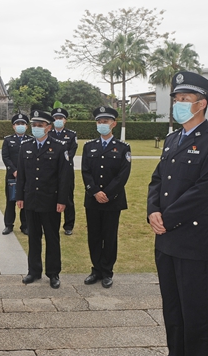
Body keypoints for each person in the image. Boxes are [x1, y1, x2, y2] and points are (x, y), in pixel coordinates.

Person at [147, 71, 208, 355]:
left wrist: (167, 219)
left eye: (186, 99)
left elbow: (205, 192)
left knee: (197, 315)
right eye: (177, 99)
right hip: (167, 241)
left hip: (195, 242)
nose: (179, 103)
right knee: (173, 312)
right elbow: (158, 179)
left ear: (202, 103)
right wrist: (153, 210)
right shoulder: (173, 139)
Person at [16, 110, 73, 289]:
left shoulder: (59, 147)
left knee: (52, 237)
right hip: (31, 199)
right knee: (33, 237)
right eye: (34, 125)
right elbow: (21, 175)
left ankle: (53, 273)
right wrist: (19, 197)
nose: (36, 128)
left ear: (48, 127)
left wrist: (62, 200)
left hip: (50, 200)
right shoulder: (25, 146)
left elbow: (65, 177)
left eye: (40, 126)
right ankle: (33, 271)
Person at [81, 106, 131, 288]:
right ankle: (96, 270)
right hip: (93, 199)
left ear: (114, 124)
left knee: (109, 236)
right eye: (99, 122)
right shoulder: (89, 146)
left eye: (105, 122)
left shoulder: (123, 147)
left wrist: (108, 193)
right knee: (94, 236)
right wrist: (95, 191)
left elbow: (123, 175)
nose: (102, 124)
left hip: (113, 200)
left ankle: (107, 271)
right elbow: (85, 171)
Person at [51, 107, 79, 235]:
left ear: (65, 120)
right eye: (56, 118)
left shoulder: (71, 135)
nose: (58, 120)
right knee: (51, 197)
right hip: (51, 171)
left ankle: (68, 225)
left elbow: (71, 153)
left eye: (60, 118)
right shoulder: (48, 134)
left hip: (66, 170)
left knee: (67, 198)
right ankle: (51, 223)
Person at [1, 112, 29, 235]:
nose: (20, 125)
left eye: (22, 123)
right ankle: (8, 225)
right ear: (13, 126)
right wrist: (14, 170)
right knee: (11, 201)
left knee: (26, 201)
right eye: (18, 124)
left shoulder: (31, 140)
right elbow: (5, 157)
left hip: (27, 176)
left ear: (27, 126)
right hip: (12, 176)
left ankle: (25, 226)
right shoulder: (8, 140)